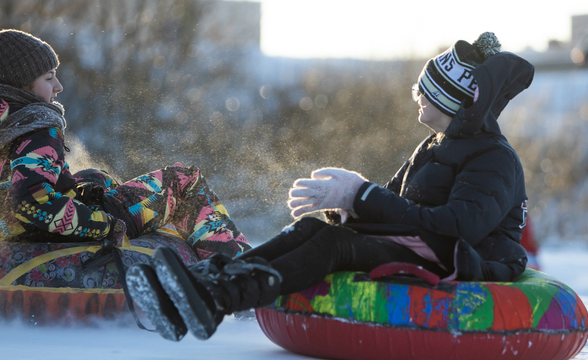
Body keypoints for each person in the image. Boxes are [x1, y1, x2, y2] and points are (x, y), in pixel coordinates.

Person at [128, 32, 534, 341]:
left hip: (461, 259)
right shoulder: (434, 146)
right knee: (311, 229)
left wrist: (360, 195)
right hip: (425, 244)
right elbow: (393, 200)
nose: (418, 97)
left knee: (333, 245)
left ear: (455, 102)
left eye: (427, 92)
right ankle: (203, 285)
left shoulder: (493, 158)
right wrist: (346, 206)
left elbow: (459, 226)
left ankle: (219, 298)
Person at [0, 15, 250, 294]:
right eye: (49, 77)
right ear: (22, 83)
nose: (58, 86)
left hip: (10, 232)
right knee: (184, 182)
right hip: (62, 233)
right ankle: (243, 280)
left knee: (96, 177)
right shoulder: (35, 127)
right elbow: (28, 201)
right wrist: (105, 225)